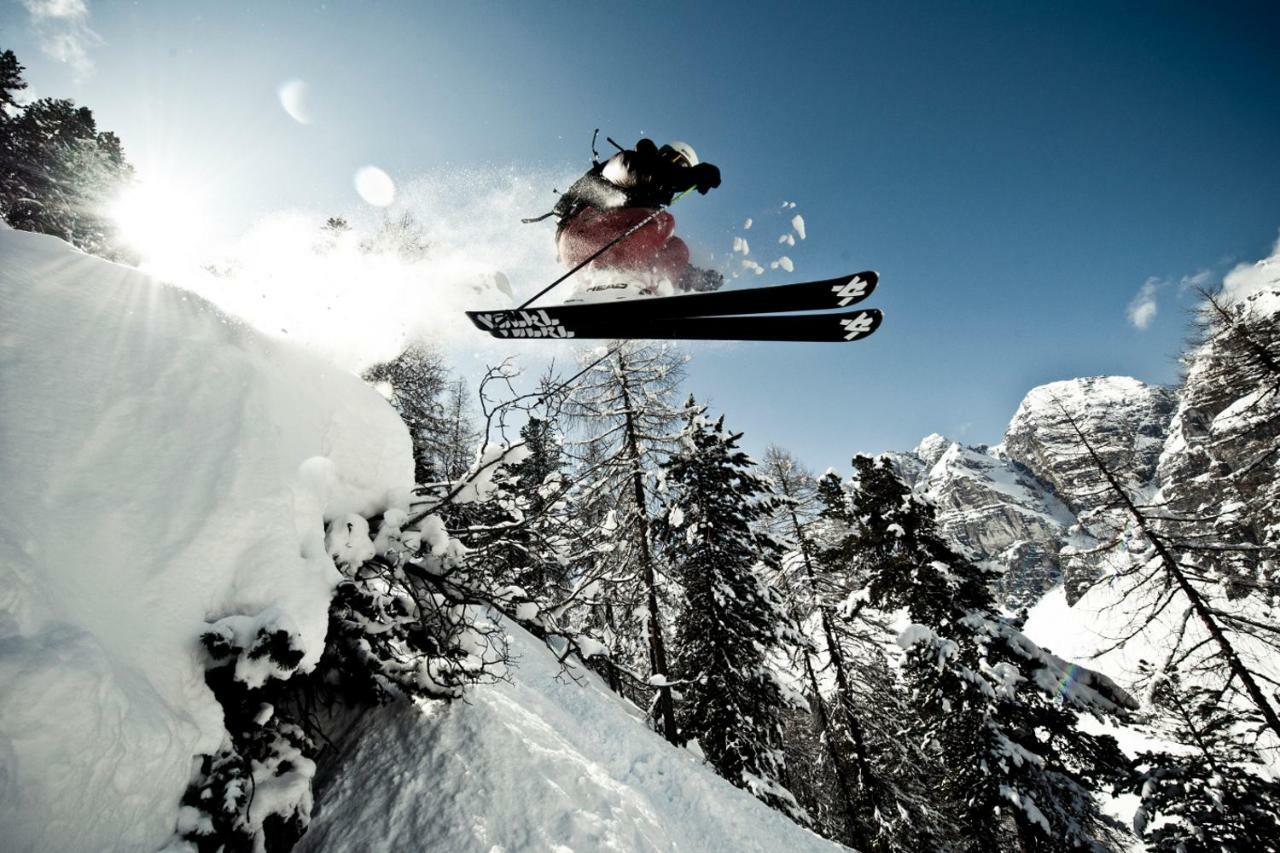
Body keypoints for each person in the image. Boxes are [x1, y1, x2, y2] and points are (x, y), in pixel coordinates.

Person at [550, 137, 723, 292]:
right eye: (678, 163)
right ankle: (609, 277)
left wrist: (696, 277)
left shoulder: (647, 208)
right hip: (581, 232)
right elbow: (644, 172)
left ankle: (647, 292)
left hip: (598, 251)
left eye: (684, 168)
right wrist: (692, 176)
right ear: (665, 155)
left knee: (676, 246)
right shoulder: (629, 161)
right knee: (662, 221)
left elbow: (659, 253)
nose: (679, 170)